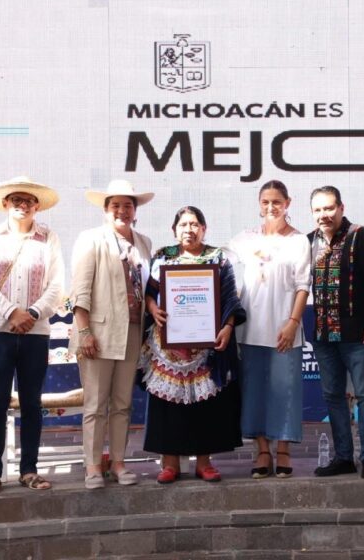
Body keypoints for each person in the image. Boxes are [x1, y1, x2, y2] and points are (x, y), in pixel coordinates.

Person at [0, 176, 64, 496]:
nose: (22, 205)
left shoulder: (49, 238)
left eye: (28, 201)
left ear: (37, 206)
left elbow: (56, 285)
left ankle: (29, 470)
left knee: (31, 404)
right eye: (16, 200)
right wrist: (12, 312)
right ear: (5, 204)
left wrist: (32, 313)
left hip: (36, 334)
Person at [141, 206, 245, 484]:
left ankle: (204, 462)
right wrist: (153, 309)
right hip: (168, 346)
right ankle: (170, 464)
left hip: (205, 346)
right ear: (174, 230)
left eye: (195, 224)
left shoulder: (218, 258)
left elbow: (230, 298)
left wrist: (228, 327)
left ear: (204, 228)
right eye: (183, 224)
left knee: (205, 405)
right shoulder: (163, 256)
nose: (189, 229)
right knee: (167, 404)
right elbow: (149, 293)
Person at [70, 180, 153, 489]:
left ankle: (118, 463)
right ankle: (93, 466)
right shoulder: (91, 239)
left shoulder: (143, 242)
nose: (122, 210)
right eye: (115, 205)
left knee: (122, 403)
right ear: (105, 210)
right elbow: (80, 291)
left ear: (135, 210)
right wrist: (85, 332)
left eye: (128, 205)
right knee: (95, 404)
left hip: (133, 331)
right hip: (98, 332)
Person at [308, 186, 364, 479]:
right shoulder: (308, 242)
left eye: (329, 208)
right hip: (323, 336)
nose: (324, 215)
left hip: (356, 335)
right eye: (318, 210)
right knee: (333, 397)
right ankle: (344, 457)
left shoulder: (361, 236)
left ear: (341, 208)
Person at [229, 181, 310, 478]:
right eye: (265, 202)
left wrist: (293, 323)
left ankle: (284, 450)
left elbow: (303, 286)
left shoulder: (299, 241)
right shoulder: (246, 238)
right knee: (254, 391)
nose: (271, 207)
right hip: (250, 328)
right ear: (259, 204)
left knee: (285, 391)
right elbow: (218, 262)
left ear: (288, 203)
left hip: (284, 329)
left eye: (277, 202)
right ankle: (262, 450)